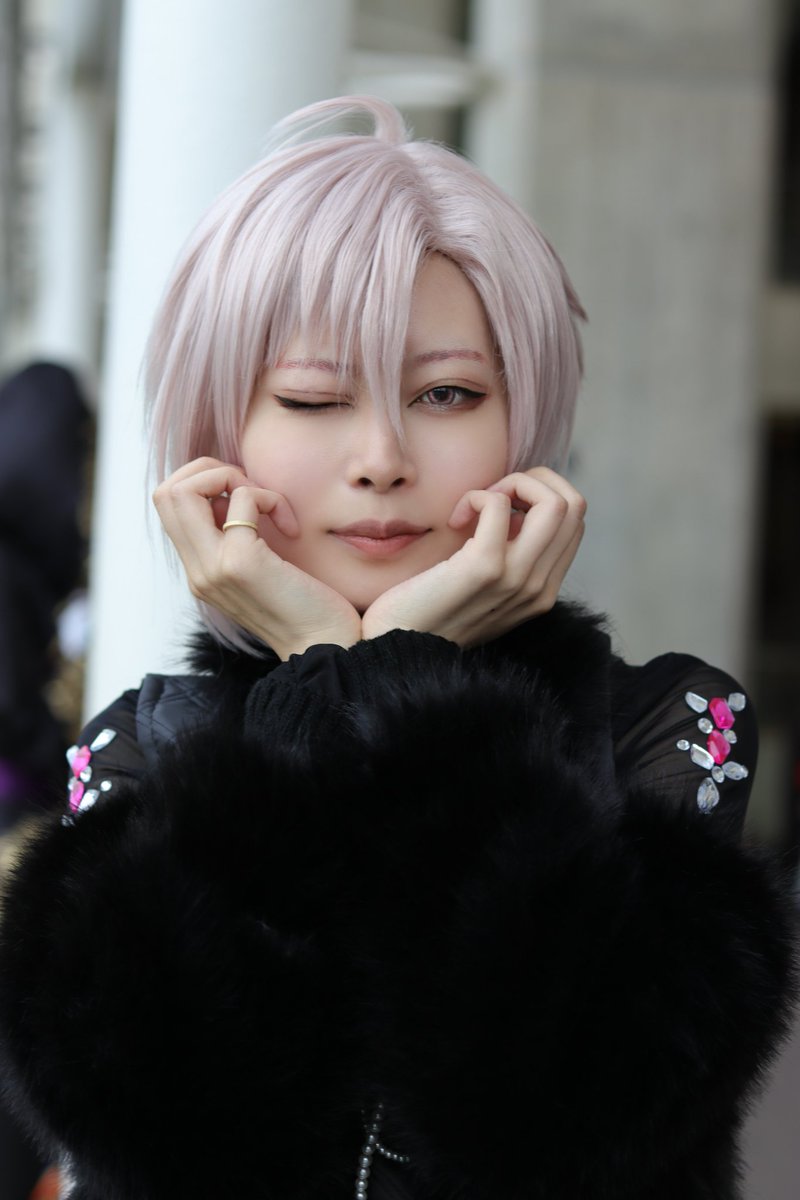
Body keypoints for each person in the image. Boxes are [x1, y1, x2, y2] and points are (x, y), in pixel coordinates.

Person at [0, 96, 794, 1200]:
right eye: (313, 397)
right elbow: (161, 1131)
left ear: (525, 422)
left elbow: (576, 1114)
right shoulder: (145, 744)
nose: (381, 456)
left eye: (447, 393)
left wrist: (399, 687)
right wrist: (322, 690)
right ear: (219, 441)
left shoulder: (667, 724)